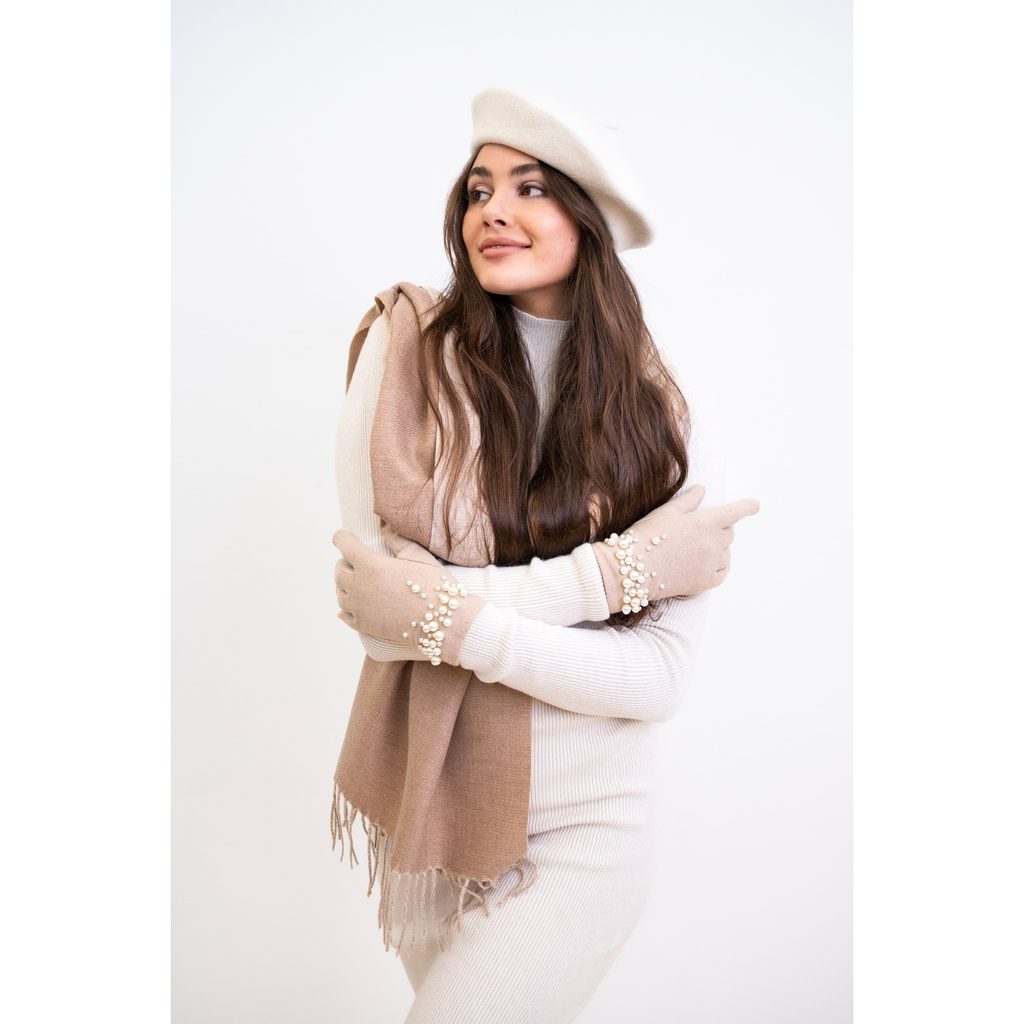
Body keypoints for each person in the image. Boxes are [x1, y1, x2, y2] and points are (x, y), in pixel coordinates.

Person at [331, 86, 761, 1023]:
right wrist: (612, 577)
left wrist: (451, 617)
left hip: (589, 828)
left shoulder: (668, 407)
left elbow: (656, 680)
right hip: (434, 807)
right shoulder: (405, 361)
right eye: (478, 189)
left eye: (530, 188)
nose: (493, 210)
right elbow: (383, 619)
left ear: (588, 220)